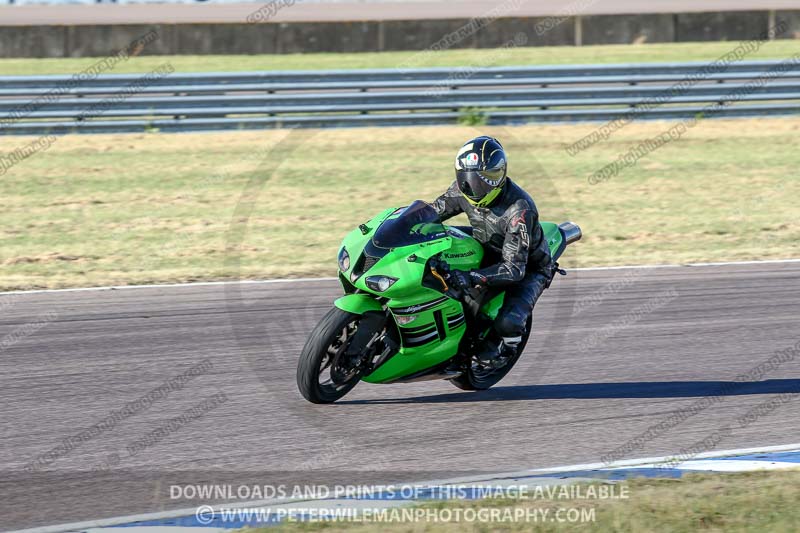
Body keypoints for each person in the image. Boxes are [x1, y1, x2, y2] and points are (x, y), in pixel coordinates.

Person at [431, 136, 552, 364]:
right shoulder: (461, 190)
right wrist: (403, 221)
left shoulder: (519, 211)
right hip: (485, 244)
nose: (477, 186)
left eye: (487, 178)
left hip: (526, 266)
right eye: (469, 178)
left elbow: (514, 269)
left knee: (508, 322)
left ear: (501, 173)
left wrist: (472, 276)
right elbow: (432, 212)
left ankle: (507, 347)